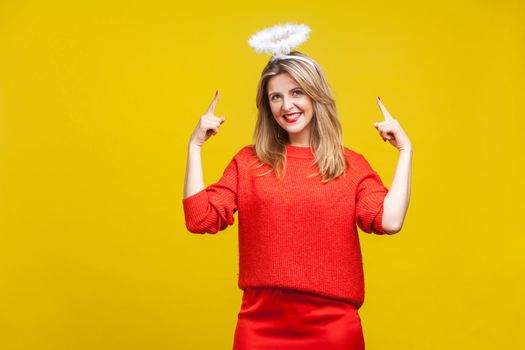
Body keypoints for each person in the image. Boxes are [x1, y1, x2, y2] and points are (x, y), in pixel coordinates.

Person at [182, 50, 412, 349]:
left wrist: (406, 151)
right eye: (275, 97)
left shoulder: (350, 165)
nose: (286, 105)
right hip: (260, 324)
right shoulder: (249, 162)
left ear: (316, 95)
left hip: (332, 328)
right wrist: (194, 146)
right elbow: (199, 218)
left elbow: (390, 221)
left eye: (296, 92)